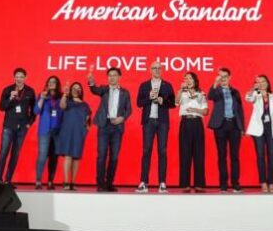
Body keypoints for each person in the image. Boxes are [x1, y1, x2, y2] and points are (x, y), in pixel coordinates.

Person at [88, 66, 132, 192]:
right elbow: (94, 90)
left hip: (117, 127)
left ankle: (109, 183)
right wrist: (91, 82)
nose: (112, 78)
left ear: (119, 77)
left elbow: (129, 110)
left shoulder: (125, 93)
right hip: (104, 125)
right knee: (101, 155)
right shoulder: (104, 89)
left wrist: (122, 118)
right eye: (110, 75)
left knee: (114, 157)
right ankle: (100, 183)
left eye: (114, 75)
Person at [136, 61, 175, 193]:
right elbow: (138, 103)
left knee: (162, 151)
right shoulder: (144, 85)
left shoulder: (167, 85)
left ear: (162, 70)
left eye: (159, 68)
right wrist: (149, 97)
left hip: (162, 122)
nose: (157, 70)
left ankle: (162, 182)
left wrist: (163, 101)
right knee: (146, 151)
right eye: (154, 68)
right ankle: (143, 182)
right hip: (148, 121)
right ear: (150, 70)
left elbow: (172, 103)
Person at [0, 67, 36, 186]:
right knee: (3, 152)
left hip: (22, 128)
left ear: (25, 78)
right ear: (14, 78)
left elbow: (34, 110)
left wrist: (29, 123)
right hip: (8, 126)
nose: (19, 79)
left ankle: (8, 180)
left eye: (21, 77)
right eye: (17, 77)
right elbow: (2, 107)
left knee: (15, 154)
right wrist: (10, 98)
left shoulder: (30, 91)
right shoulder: (7, 90)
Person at [207, 67, 245, 193]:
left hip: (234, 125)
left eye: (225, 76)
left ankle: (235, 183)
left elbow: (240, 110)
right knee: (221, 155)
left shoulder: (235, 92)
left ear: (229, 77)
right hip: (220, 126)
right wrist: (215, 83)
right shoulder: (216, 91)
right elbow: (210, 96)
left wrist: (242, 127)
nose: (223, 79)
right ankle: (223, 184)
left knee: (235, 156)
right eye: (220, 76)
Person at [245, 74, 273, 193]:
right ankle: (263, 182)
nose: (261, 83)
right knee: (260, 156)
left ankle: (271, 182)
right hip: (258, 129)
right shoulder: (255, 95)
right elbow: (248, 98)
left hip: (271, 128)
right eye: (259, 82)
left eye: (263, 81)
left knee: (271, 156)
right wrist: (253, 89)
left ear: (267, 83)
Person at [176, 72, 208, 193]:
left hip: (197, 123)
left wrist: (195, 109)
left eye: (190, 78)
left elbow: (205, 111)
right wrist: (180, 89)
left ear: (195, 80)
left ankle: (199, 184)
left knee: (199, 153)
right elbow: (176, 102)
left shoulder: (201, 94)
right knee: (185, 153)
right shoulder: (182, 93)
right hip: (185, 123)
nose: (188, 80)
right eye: (186, 79)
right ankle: (185, 184)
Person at [56, 82, 92, 190]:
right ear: (71, 90)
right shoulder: (67, 101)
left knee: (76, 157)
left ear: (81, 91)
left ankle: (73, 182)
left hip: (79, 133)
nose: (76, 90)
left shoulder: (85, 105)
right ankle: (66, 182)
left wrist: (86, 129)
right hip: (67, 131)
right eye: (74, 88)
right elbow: (62, 106)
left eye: (78, 88)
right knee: (68, 156)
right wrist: (64, 94)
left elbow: (87, 119)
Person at [33, 75, 64, 190]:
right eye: (50, 81)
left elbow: (64, 111)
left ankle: (50, 181)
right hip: (44, 130)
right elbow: (36, 111)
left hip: (57, 131)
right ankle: (38, 181)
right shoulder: (42, 96)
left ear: (57, 84)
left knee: (54, 157)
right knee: (42, 155)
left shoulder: (61, 97)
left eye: (54, 82)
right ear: (47, 84)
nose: (51, 83)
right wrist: (42, 98)